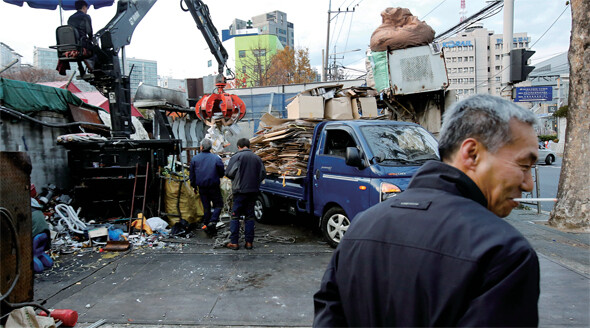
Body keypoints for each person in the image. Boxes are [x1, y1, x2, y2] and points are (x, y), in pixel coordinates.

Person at [313, 94, 541, 327]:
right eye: (524, 165)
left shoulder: (362, 226)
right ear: (472, 153)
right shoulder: (504, 252)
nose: (528, 184)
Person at [224, 138, 266, 250]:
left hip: (239, 191)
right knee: (250, 217)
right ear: (248, 146)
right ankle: (249, 243)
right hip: (253, 191)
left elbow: (229, 173)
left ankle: (234, 242)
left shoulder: (236, 157)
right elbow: (263, 173)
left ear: (239, 146)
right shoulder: (257, 158)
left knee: (235, 216)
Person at [189, 138, 225, 236]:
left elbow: (192, 175)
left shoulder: (195, 159)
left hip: (202, 187)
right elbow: (221, 171)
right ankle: (213, 222)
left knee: (206, 207)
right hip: (214, 186)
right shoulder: (216, 158)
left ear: (201, 147)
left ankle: (206, 224)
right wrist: (219, 176)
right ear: (210, 147)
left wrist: (193, 186)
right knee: (218, 205)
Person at [67, 1, 94, 73]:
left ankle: (81, 67)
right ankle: (93, 67)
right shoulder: (86, 16)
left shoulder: (70, 18)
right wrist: (91, 39)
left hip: (72, 45)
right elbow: (89, 31)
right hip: (82, 43)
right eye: (86, 9)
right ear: (84, 7)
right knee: (96, 50)